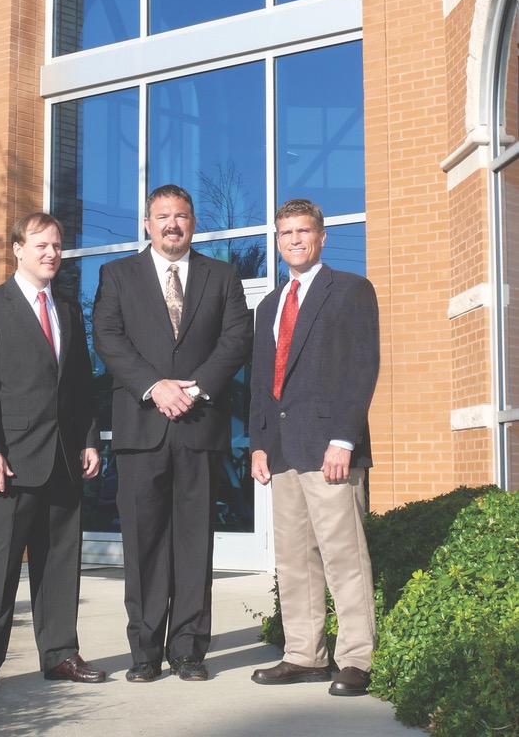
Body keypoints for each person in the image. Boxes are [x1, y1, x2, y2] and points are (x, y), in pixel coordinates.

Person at [92, 184, 253, 682]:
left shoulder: (222, 276)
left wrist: (198, 387)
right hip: (142, 431)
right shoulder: (116, 275)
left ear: (193, 223)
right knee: (143, 545)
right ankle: (144, 652)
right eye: (162, 216)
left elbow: (237, 339)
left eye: (181, 216)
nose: (172, 224)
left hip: (200, 430)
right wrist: (154, 386)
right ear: (147, 224)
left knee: (193, 543)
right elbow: (107, 338)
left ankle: (188, 650)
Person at [0, 211, 105, 693]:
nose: (51, 253)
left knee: (60, 564)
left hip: (62, 460)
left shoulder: (66, 310)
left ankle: (60, 654)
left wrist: (89, 439)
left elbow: (80, 385)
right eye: (41, 244)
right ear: (17, 249)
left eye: (57, 245)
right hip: (7, 466)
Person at [249, 198, 379, 697]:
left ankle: (356, 658)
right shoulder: (268, 303)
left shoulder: (349, 291)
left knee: (344, 556)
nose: (295, 240)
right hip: (282, 452)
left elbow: (361, 369)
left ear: (322, 236)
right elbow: (262, 381)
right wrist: (260, 445)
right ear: (278, 241)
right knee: (295, 559)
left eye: (304, 231)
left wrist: (344, 438)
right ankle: (304, 655)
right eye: (286, 233)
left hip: (331, 449)